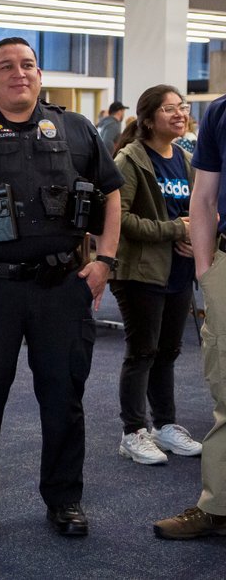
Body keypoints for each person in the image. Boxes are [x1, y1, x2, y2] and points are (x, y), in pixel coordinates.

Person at [0, 36, 122, 537]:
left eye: (29, 64)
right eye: (6, 66)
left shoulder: (76, 129)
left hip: (61, 288)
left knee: (64, 399)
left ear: (40, 75)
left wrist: (105, 260)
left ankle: (65, 500)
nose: (20, 73)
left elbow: (111, 193)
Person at [110, 85, 203, 466]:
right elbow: (121, 219)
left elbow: (199, 214)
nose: (180, 114)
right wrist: (175, 230)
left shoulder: (185, 159)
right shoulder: (130, 159)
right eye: (169, 109)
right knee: (142, 352)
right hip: (140, 271)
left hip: (178, 271)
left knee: (168, 351)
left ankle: (165, 425)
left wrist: (195, 240)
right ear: (148, 119)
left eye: (182, 107)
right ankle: (133, 431)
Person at [153, 91, 226, 539]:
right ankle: (218, 505)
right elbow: (203, 199)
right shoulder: (220, 111)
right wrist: (206, 271)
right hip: (225, 267)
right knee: (225, 391)